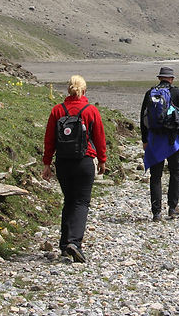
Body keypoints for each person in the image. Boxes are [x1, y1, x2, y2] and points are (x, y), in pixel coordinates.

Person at [42, 75, 107, 263]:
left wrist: (47, 163)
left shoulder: (57, 110)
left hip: (62, 161)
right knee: (81, 202)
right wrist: (102, 160)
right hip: (84, 161)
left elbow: (49, 139)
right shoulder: (91, 110)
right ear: (84, 91)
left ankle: (64, 244)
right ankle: (74, 243)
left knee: (69, 200)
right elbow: (100, 138)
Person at [140, 66, 179, 221]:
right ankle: (172, 208)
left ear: (159, 78)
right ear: (172, 79)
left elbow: (143, 118)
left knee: (156, 176)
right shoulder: (177, 93)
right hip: (172, 140)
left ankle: (156, 212)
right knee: (175, 172)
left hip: (154, 140)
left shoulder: (150, 93)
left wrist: (144, 140)